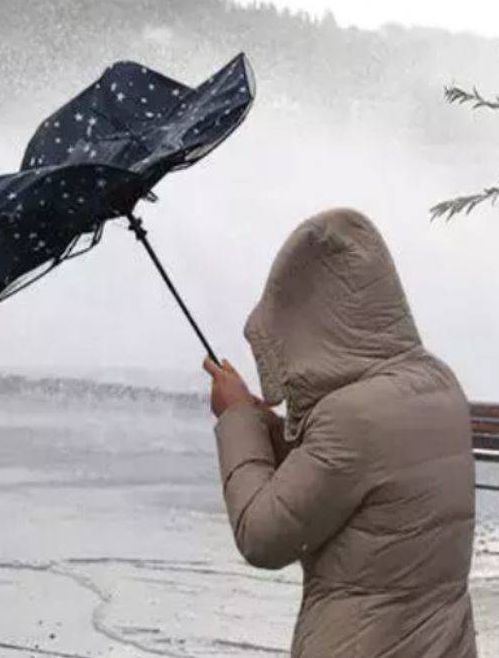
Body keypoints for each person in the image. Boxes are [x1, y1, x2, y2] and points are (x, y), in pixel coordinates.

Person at [203, 208, 476, 657]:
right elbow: (354, 484)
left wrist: (235, 420)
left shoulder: (353, 418)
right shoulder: (437, 383)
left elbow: (262, 536)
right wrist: (263, 426)